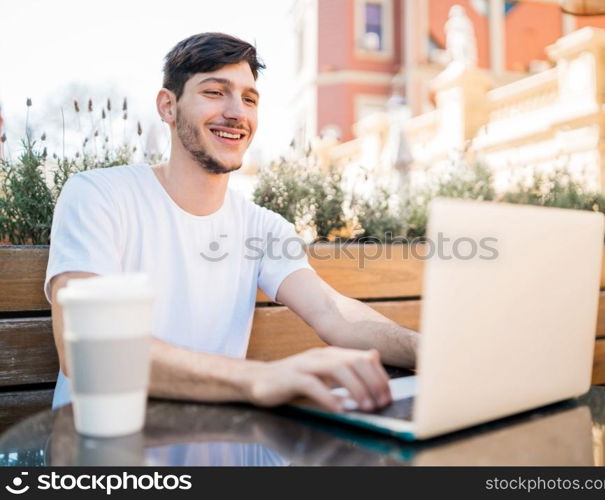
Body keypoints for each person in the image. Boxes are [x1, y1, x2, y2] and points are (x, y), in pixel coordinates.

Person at [46, 32, 418, 414]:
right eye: (214, 92)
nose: (237, 112)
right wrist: (259, 378)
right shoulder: (98, 196)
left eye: (249, 99)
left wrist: (425, 350)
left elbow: (331, 312)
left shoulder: (264, 228)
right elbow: (86, 349)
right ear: (168, 106)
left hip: (221, 446)